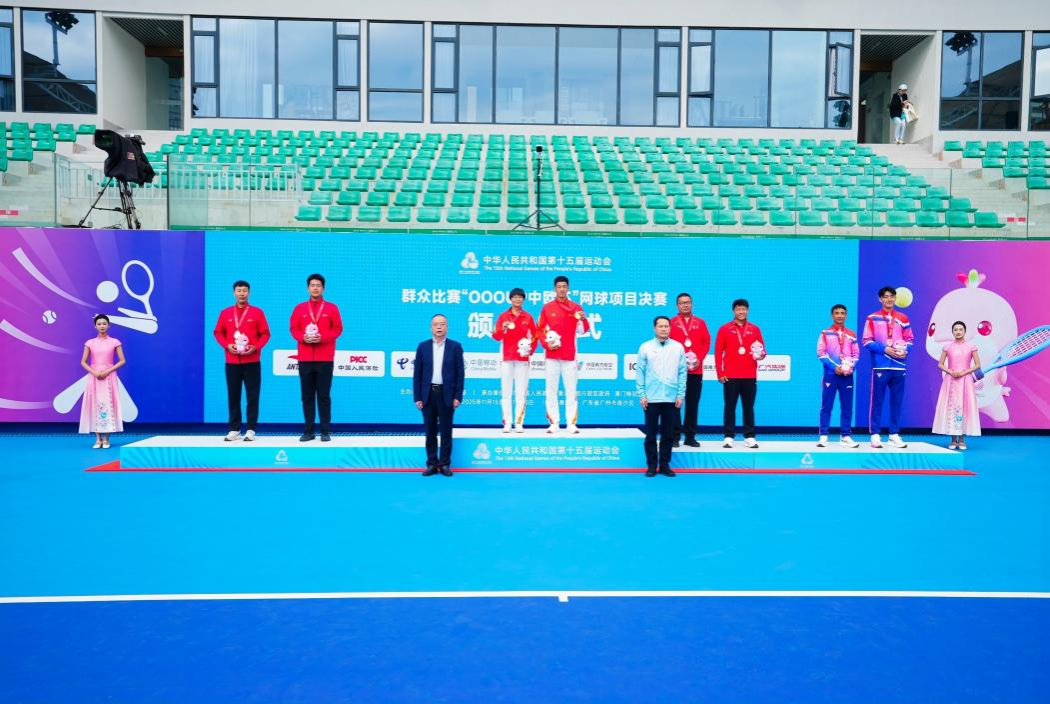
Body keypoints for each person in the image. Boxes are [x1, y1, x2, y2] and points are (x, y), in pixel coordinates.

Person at [213, 280, 271, 442]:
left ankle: (251, 429)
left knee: (252, 396)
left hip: (252, 361)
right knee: (233, 396)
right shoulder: (225, 313)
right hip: (232, 362)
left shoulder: (257, 312)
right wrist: (227, 345)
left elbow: (265, 334)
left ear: (249, 293)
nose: (242, 293)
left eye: (245, 290)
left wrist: (256, 347)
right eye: (239, 291)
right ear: (234, 293)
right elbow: (218, 332)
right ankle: (234, 429)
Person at [290, 273, 343, 442]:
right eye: (312, 285)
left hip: (325, 358)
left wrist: (322, 338)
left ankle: (325, 431)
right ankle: (309, 431)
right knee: (306, 396)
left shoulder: (332, 308)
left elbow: (338, 329)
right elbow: (293, 328)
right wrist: (302, 338)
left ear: (323, 288)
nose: (315, 288)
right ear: (308, 288)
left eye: (318, 285)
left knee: (324, 396)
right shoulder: (299, 308)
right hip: (305, 358)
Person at [413, 314, 465, 476]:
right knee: (430, 432)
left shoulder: (455, 347)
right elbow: (417, 374)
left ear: (447, 327)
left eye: (442, 324)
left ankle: (444, 464)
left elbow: (460, 374)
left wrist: (457, 396)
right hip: (428, 394)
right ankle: (431, 464)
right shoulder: (423, 347)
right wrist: (418, 397)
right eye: (436, 324)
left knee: (446, 431)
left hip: (446, 394)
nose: (439, 327)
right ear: (431, 328)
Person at [862, 286, 913, 448]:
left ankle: (894, 435)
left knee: (896, 401)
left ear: (895, 298)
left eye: (892, 296)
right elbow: (866, 341)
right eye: (886, 296)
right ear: (880, 299)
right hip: (880, 366)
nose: (889, 299)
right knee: (877, 401)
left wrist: (905, 350)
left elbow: (910, 339)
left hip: (899, 366)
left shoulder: (903, 318)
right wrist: (885, 349)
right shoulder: (872, 318)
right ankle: (875, 435)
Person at [538, 275, 590, 434]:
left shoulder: (576, 307)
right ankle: (554, 423)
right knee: (551, 390)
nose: (562, 289)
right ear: (554, 289)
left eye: (564, 286)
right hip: (552, 354)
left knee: (571, 390)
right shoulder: (547, 308)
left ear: (568, 288)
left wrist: (583, 319)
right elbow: (540, 329)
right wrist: (546, 344)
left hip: (569, 355)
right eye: (559, 286)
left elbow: (582, 330)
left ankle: (571, 423)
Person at [636, 316, 687, 477]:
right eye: (660, 326)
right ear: (654, 328)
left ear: (670, 328)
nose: (664, 329)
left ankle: (664, 465)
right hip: (651, 398)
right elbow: (640, 373)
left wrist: (680, 394)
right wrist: (642, 395)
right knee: (650, 434)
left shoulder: (678, 347)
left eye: (666, 326)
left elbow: (682, 372)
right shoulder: (645, 347)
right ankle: (651, 466)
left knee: (668, 435)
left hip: (671, 399)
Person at [714, 299, 766, 448]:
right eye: (738, 309)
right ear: (733, 311)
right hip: (730, 375)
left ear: (747, 310)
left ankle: (749, 436)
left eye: (743, 309)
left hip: (749, 374)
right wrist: (720, 372)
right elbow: (718, 352)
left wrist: (761, 355)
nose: (741, 312)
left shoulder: (755, 329)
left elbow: (762, 350)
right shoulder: (724, 329)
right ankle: (728, 436)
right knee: (729, 406)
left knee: (748, 407)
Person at [492, 287, 538, 433]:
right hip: (506, 357)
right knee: (506, 392)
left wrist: (530, 350)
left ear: (523, 299)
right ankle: (507, 423)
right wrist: (503, 328)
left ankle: (519, 423)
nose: (517, 299)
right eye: (515, 297)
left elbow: (535, 336)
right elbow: (496, 336)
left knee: (520, 392)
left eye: (520, 297)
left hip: (522, 358)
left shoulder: (528, 317)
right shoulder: (503, 316)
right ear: (510, 299)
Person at [668, 292, 711, 447]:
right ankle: (674, 437)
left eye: (688, 302)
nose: (685, 305)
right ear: (677, 305)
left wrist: (699, 359)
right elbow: (666, 344)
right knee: (675, 404)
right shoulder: (671, 322)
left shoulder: (700, 322)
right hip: (675, 371)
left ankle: (690, 437)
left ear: (692, 304)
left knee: (693, 404)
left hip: (695, 370)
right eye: (682, 303)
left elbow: (706, 342)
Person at [816, 304, 861, 448]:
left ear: (846, 315)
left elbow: (856, 354)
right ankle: (823, 436)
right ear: (832, 316)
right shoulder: (825, 333)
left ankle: (845, 436)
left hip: (847, 376)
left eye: (842, 313)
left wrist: (850, 367)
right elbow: (821, 353)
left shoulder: (851, 334)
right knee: (826, 406)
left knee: (847, 407)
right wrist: (835, 367)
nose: (840, 315)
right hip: (831, 375)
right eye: (837, 313)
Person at [932, 321, 982, 450]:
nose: (958, 332)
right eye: (955, 330)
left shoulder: (971, 347)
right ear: (952, 332)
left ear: (964, 331)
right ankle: (953, 440)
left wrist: (964, 372)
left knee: (964, 406)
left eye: (960, 329)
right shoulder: (947, 347)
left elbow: (978, 365)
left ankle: (962, 440)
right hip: (951, 380)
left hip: (966, 381)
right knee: (952, 407)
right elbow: (940, 364)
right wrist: (951, 371)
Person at [79, 314, 126, 449]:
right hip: (94, 377)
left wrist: (107, 371)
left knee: (108, 404)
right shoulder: (90, 343)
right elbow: (83, 362)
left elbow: (122, 360)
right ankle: (97, 439)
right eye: (99, 324)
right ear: (95, 326)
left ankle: (106, 439)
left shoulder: (115, 342)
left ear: (109, 325)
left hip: (109, 377)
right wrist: (94, 372)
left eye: (104, 323)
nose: (102, 326)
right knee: (95, 404)